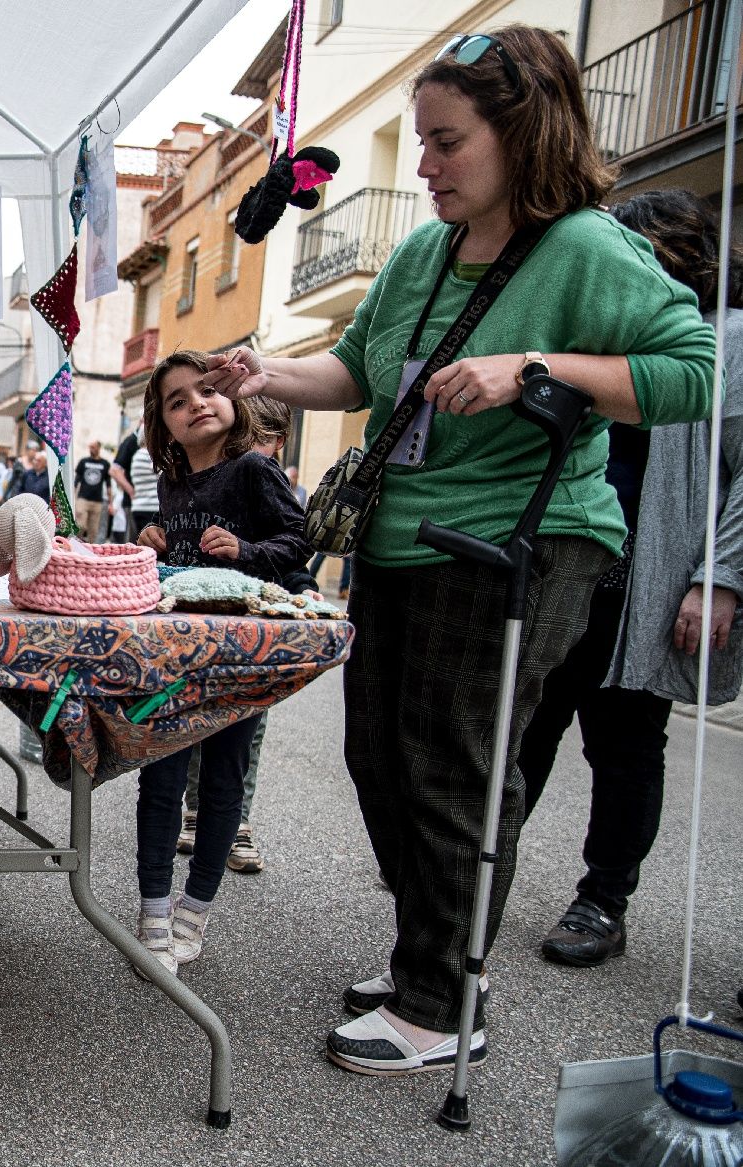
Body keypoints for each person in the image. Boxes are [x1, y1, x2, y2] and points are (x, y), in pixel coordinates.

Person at [201, 26, 713, 1075]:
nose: (424, 165)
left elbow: (692, 369)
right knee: (378, 758)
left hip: (517, 542)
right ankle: (429, 954)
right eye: (421, 142)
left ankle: (441, 1003)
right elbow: (351, 373)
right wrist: (258, 373)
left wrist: (533, 364)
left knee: (453, 768)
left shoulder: (583, 247)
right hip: (399, 537)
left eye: (444, 142)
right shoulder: (420, 252)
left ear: (518, 135)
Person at [517, 188, 743, 968]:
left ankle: (603, 900)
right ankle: (475, 869)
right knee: (524, 724)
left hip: (650, 577)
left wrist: (719, 577)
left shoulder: (724, 342)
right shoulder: (603, 345)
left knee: (623, 744)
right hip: (568, 564)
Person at [129, 351, 308, 975]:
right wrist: (151, 542)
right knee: (161, 779)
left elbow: (297, 543)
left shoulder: (255, 469)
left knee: (223, 782)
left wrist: (246, 549)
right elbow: (177, 570)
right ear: (165, 425)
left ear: (232, 400)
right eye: (177, 401)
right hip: (177, 657)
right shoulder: (172, 485)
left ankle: (193, 913)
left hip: (241, 657)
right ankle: (152, 912)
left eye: (205, 391)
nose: (195, 404)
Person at [176, 392, 308, 876]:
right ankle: (196, 814)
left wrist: (303, 590)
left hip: (254, 628)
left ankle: (237, 824)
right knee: (194, 722)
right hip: (202, 624)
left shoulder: (263, 479)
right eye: (246, 440)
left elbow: (294, 550)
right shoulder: (213, 475)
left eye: (261, 442)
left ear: (278, 442)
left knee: (245, 731)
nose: (252, 451)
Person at [73, 440, 112, 541]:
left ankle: (90, 548)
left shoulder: (105, 464)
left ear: (99, 448)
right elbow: (76, 481)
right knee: (81, 525)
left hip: (97, 501)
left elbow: (108, 484)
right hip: (83, 499)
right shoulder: (83, 462)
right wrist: (73, 497)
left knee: (93, 530)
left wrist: (110, 502)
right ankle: (77, 543)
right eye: (90, 447)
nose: (91, 449)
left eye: (93, 447)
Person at [111, 427, 142, 542]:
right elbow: (114, 470)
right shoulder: (131, 441)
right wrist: (131, 491)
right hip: (134, 503)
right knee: (135, 541)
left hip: (149, 503)